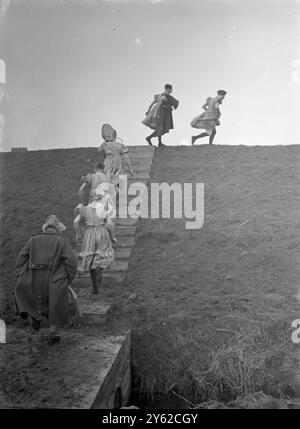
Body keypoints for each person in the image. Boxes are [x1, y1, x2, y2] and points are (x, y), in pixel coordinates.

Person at [14, 215, 77, 345]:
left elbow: (21, 258)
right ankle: (52, 333)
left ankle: (35, 318)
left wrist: (21, 274)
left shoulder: (33, 240)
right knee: (55, 304)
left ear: (45, 227)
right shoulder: (62, 241)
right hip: (55, 279)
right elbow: (71, 262)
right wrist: (68, 278)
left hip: (33, 277)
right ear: (57, 228)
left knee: (34, 298)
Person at [74, 186, 115, 295]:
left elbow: (76, 222)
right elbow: (110, 224)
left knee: (90, 259)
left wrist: (78, 234)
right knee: (101, 255)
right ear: (100, 197)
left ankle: (94, 287)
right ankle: (99, 271)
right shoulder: (105, 207)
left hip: (90, 233)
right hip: (102, 232)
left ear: (91, 197)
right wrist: (112, 236)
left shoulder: (84, 208)